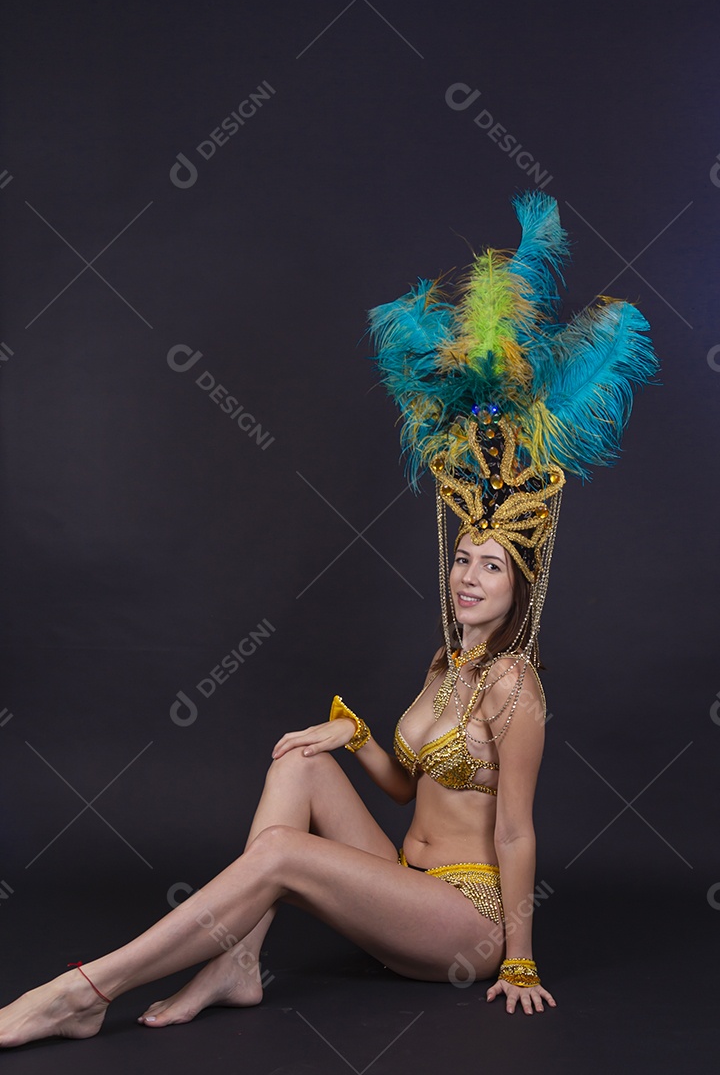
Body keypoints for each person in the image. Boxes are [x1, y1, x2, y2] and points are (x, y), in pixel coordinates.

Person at [0, 192, 656, 1047]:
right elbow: (405, 787)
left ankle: (86, 990)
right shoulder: (444, 665)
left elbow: (515, 827)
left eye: (490, 567)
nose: (467, 575)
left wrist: (520, 960)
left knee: (278, 857)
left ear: (519, 584)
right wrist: (350, 742)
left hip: (463, 922)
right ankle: (238, 962)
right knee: (296, 765)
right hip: (403, 884)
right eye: (463, 558)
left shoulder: (515, 687)